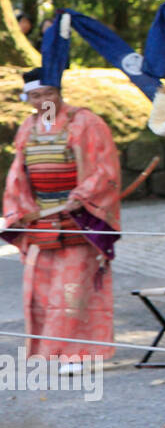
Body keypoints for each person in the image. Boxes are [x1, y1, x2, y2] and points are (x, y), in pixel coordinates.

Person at [2, 67, 120, 372]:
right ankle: (49, 352)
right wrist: (19, 211)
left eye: (48, 93)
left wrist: (78, 198)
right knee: (41, 290)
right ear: (27, 98)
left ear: (59, 93)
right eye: (36, 95)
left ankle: (81, 353)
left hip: (78, 216)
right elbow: (18, 174)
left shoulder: (86, 122)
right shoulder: (28, 127)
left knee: (73, 289)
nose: (43, 101)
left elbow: (104, 170)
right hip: (39, 216)